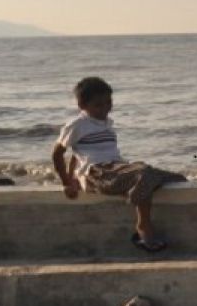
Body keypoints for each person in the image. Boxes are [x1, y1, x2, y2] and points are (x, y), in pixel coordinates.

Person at [52, 77, 186, 253]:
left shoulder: (106, 124)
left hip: (115, 168)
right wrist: (68, 183)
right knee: (144, 172)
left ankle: (132, 194)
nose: (105, 108)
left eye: (109, 103)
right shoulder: (77, 124)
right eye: (98, 105)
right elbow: (57, 154)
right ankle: (143, 227)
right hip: (98, 173)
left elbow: (78, 153)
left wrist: (74, 173)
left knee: (175, 178)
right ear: (82, 105)